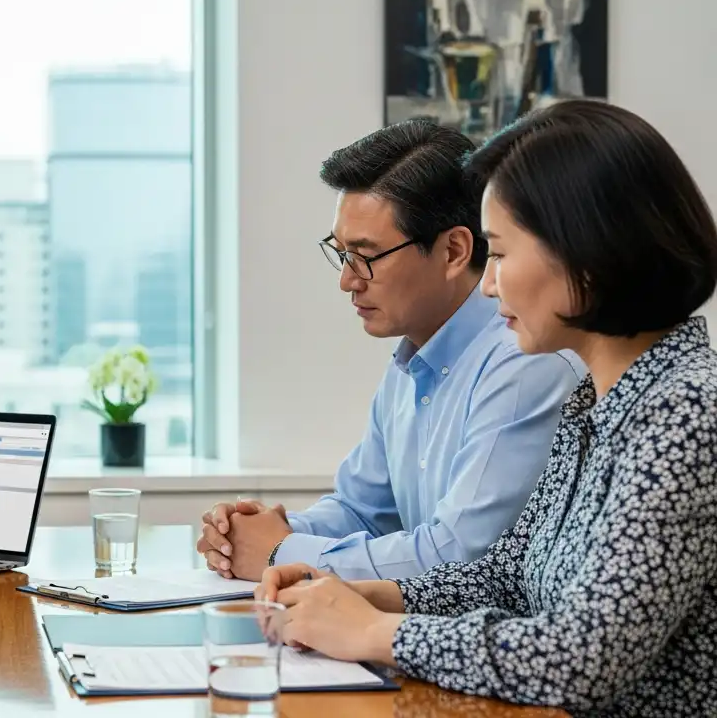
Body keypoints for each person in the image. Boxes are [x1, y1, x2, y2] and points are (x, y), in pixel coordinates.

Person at [259, 101, 717, 716]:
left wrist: (376, 632)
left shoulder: (686, 412)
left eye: (499, 253)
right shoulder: (597, 403)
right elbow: (505, 575)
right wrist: (360, 594)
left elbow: (581, 659)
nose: (490, 282)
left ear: (588, 254)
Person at [198, 120, 583, 581]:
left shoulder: (525, 361)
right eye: (341, 253)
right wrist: (253, 534)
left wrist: (280, 551)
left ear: (454, 250)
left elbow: (459, 558)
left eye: (366, 256)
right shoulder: (411, 361)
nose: (347, 280)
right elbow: (362, 510)